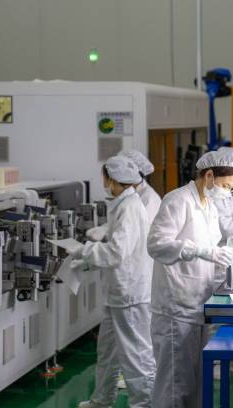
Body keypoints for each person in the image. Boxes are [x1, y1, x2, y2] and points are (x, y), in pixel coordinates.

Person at [147, 150, 233, 408]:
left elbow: (209, 253)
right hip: (176, 309)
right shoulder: (178, 200)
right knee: (175, 387)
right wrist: (202, 251)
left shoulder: (208, 206)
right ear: (209, 176)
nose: (226, 192)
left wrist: (225, 268)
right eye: (225, 185)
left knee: (196, 384)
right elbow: (156, 245)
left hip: (198, 305)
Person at [71, 155, 155, 408]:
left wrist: (83, 250)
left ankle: (145, 403)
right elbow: (119, 249)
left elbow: (118, 252)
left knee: (135, 354)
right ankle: (101, 400)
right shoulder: (124, 202)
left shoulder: (130, 207)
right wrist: (87, 261)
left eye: (104, 176)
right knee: (107, 351)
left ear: (111, 178)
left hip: (129, 294)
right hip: (119, 292)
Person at [86, 149, 161, 241]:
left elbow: (135, 232)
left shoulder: (149, 199)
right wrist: (104, 228)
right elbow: (122, 221)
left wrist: (106, 234)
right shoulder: (130, 194)